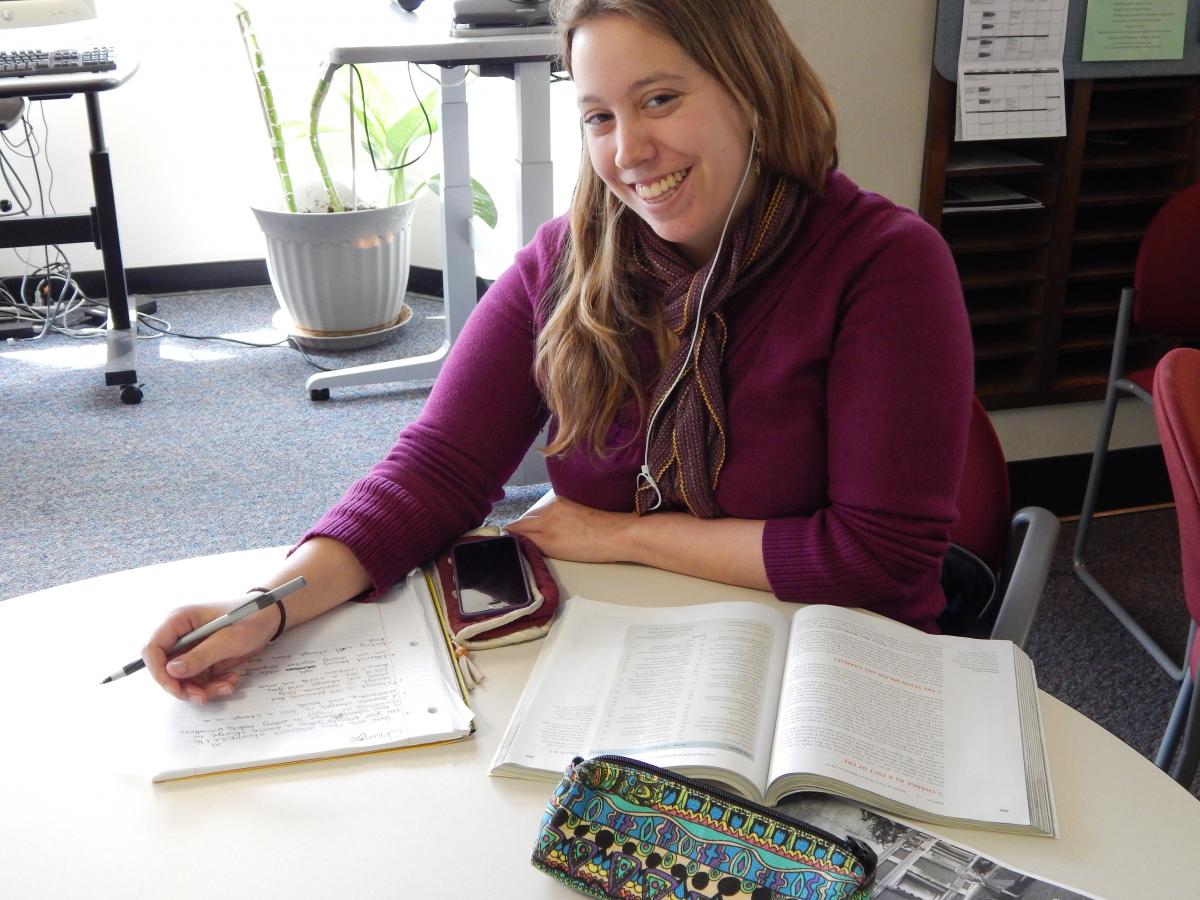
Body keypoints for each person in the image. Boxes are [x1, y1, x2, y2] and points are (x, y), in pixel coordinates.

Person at [145, 0, 972, 704]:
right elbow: (436, 472)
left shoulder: (884, 263)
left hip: (838, 669)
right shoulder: (568, 259)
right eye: (600, 117)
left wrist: (621, 535)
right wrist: (265, 606)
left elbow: (876, 558)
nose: (630, 151)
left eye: (660, 98)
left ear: (752, 89)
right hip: (641, 653)